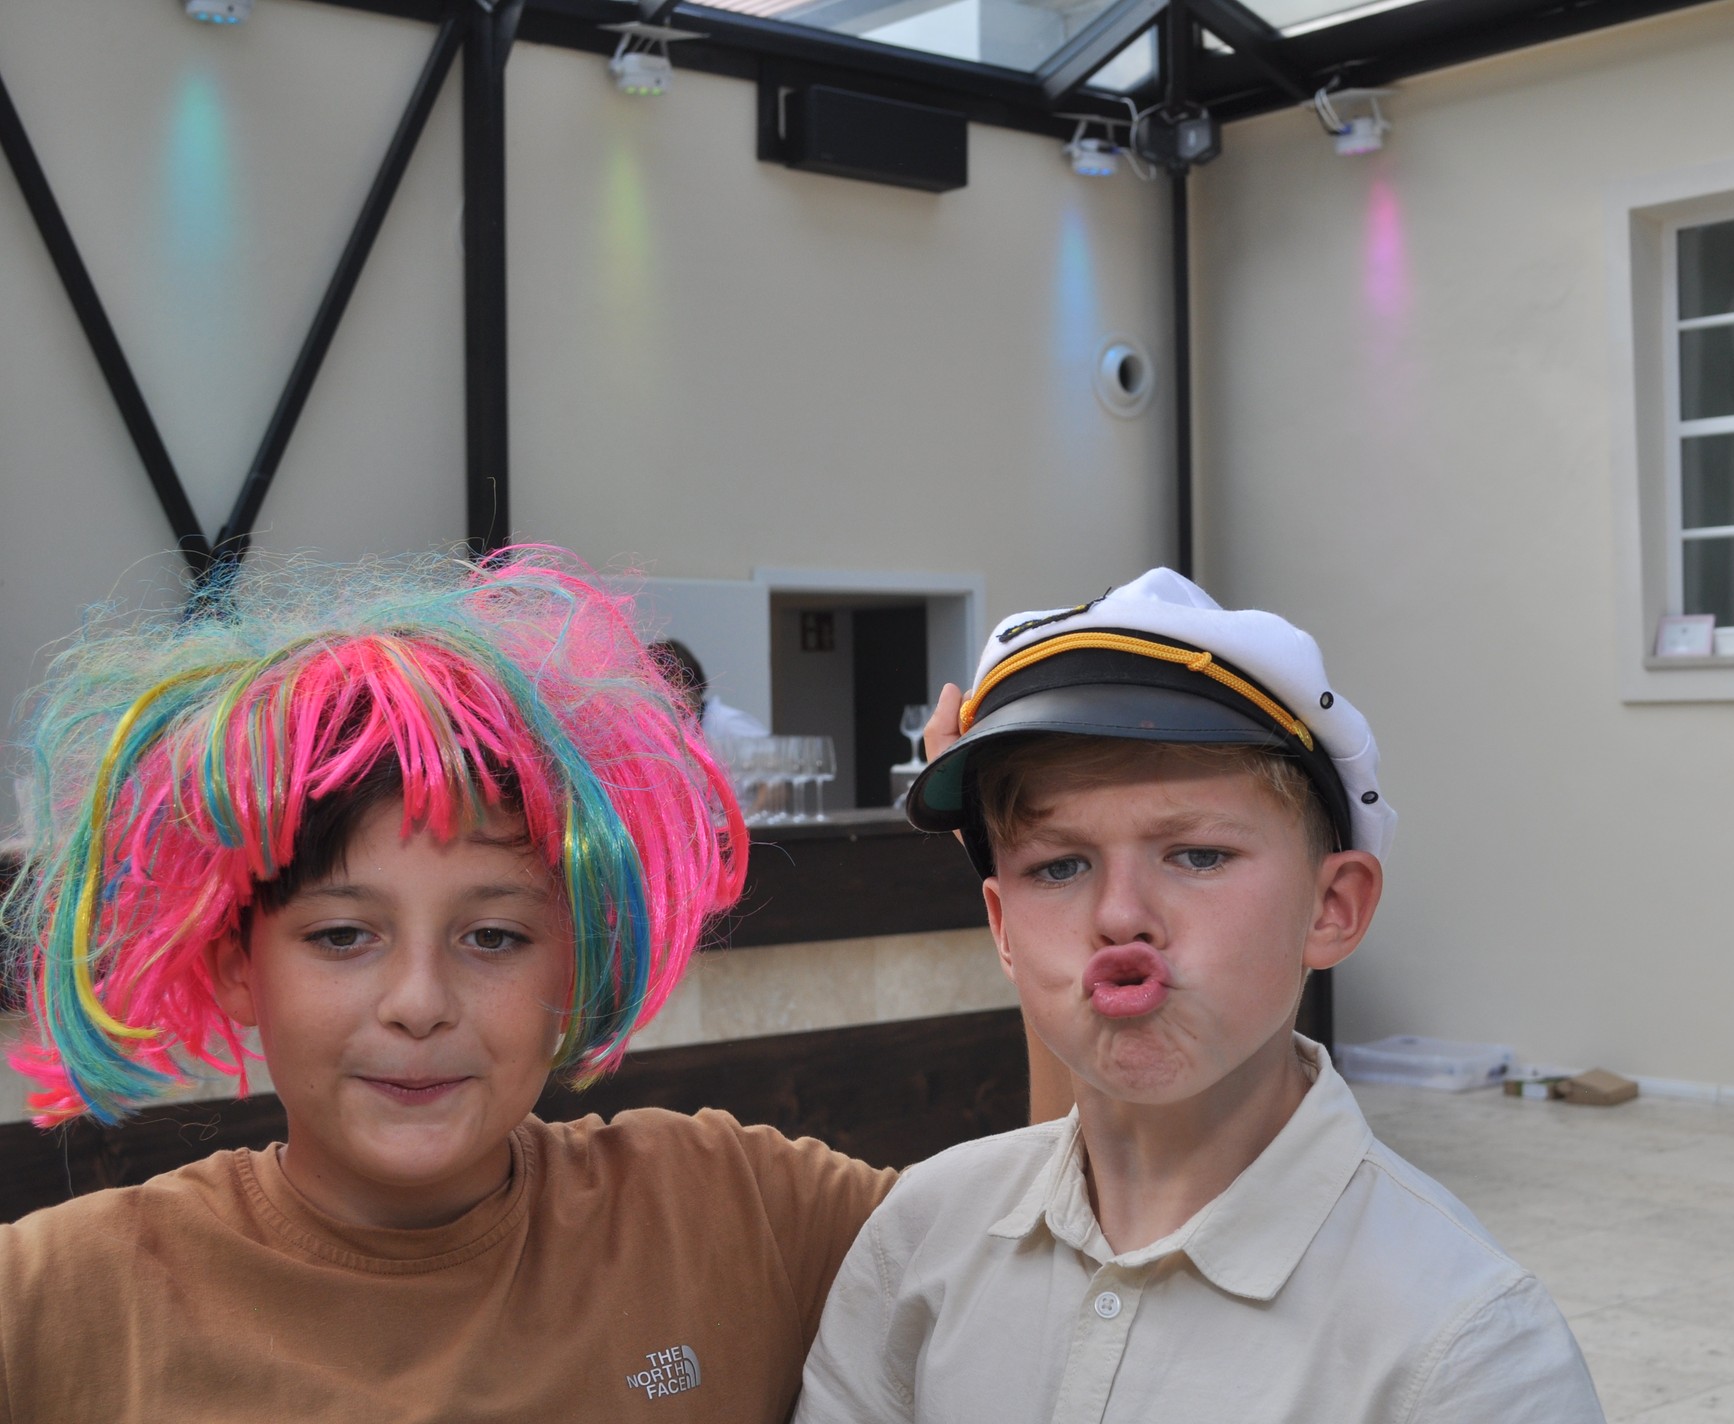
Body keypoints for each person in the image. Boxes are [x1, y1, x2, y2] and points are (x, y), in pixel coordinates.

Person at [0, 549, 893, 1422]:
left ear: (575, 962)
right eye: (343, 936)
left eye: (493, 937)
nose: (420, 1003)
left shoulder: (738, 1213)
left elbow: (984, 1244)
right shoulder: (52, 1306)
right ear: (239, 965)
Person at [794, 568, 1604, 1422]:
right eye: (1059, 867)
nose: (1120, 916)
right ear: (1003, 928)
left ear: (1331, 907)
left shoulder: (1466, 1347)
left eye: (1199, 856)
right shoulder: (918, 1241)